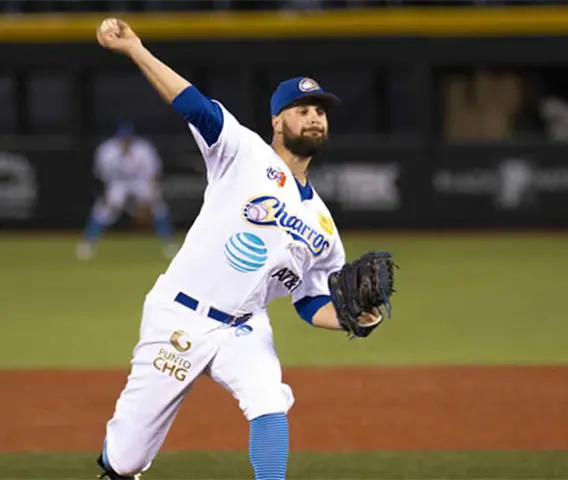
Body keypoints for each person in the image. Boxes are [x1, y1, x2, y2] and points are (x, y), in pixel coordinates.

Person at [94, 18, 384, 480]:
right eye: (302, 109)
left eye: (320, 111)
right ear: (277, 121)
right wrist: (136, 49)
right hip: (179, 315)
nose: (314, 117)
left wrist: (356, 318)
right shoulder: (243, 152)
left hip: (244, 327)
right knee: (127, 460)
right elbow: (193, 104)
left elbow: (310, 301)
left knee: (269, 399)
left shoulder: (324, 227)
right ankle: (113, 462)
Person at [76, 121, 178, 260]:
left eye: (127, 139)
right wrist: (105, 194)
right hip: (118, 183)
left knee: (159, 207)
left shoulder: (143, 149)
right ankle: (88, 243)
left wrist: (154, 193)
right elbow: (101, 175)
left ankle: (169, 244)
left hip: (140, 182)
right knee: (102, 209)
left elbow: (154, 172)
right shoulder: (107, 150)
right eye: (122, 139)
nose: (125, 143)